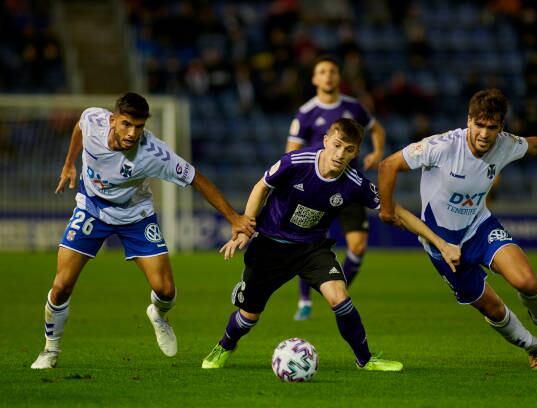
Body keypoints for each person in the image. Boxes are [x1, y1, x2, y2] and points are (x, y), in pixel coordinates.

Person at [200, 118, 459, 371]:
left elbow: (396, 210)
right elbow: (261, 187)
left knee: (340, 297)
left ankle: (365, 359)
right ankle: (224, 346)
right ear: (325, 141)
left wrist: (440, 242)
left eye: (348, 149)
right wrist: (246, 227)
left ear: (356, 152)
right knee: (249, 316)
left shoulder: (355, 183)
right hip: (270, 245)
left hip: (312, 249)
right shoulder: (296, 162)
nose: (340, 153)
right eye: (336, 145)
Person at [31, 92, 255, 369]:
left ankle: (158, 315)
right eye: (126, 124)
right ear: (112, 120)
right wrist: (69, 164)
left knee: (166, 290)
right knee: (62, 285)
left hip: (135, 215)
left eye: (139, 127)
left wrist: (233, 217)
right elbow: (79, 126)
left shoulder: (154, 153)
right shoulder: (93, 119)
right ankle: (50, 350)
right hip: (91, 208)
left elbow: (197, 178)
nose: (132, 133)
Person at [377, 88, 537, 370]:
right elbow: (388, 165)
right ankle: (533, 347)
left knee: (527, 283)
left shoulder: (505, 144)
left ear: (501, 127)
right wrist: (387, 210)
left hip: (479, 227)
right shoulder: (442, 146)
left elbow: (531, 145)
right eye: (479, 125)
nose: (485, 134)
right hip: (442, 245)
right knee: (493, 309)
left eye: (492, 127)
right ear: (469, 121)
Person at [286, 55, 386, 320]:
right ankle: (304, 301)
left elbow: (377, 130)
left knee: (359, 246)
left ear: (338, 77)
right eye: (322, 71)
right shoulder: (306, 113)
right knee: (309, 245)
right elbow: (291, 152)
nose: (328, 75)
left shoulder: (355, 108)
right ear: (315, 79)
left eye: (332, 71)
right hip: (316, 190)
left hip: (350, 188)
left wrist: (377, 152)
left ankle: (337, 293)